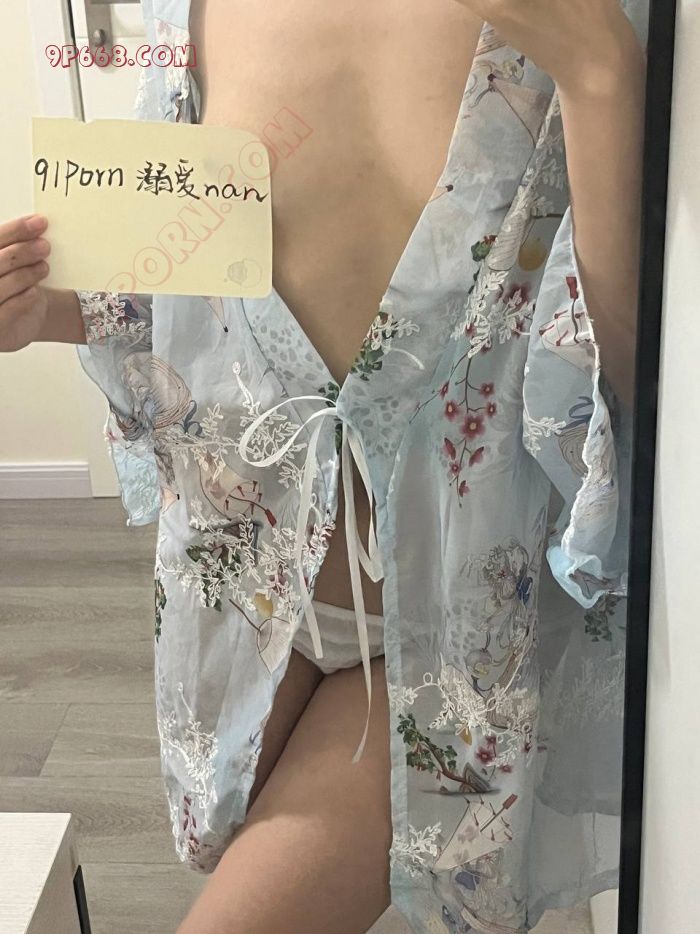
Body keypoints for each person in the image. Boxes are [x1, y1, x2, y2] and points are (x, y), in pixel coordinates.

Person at [0, 0, 646, 931]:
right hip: (242, 599)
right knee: (244, 860)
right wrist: (42, 309)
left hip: (438, 634)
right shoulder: (187, 9)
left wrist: (599, 75)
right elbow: (174, 281)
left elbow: (635, 390)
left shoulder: (573, 20)